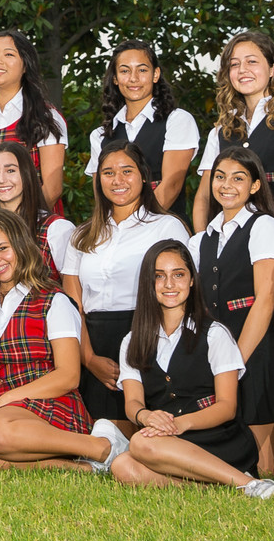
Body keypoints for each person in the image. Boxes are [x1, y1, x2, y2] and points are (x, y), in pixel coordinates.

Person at [105, 240, 274, 497]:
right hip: (169, 443)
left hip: (218, 439)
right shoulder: (132, 341)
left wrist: (179, 424)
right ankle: (220, 489)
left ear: (192, 280)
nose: (169, 284)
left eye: (178, 275)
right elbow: (133, 403)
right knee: (123, 466)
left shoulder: (215, 334)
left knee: (139, 443)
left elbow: (227, 407)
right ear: (148, 283)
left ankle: (248, 483)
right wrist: (146, 417)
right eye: (159, 276)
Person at [0, 213, 124, 473]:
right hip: (1, 417)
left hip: (51, 406)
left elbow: (68, 376)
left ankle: (100, 447)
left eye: (3, 248)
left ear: (21, 246)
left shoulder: (53, 300)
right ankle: (84, 469)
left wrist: (3, 402)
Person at [59, 144, 188, 427]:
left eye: (126, 171)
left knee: (146, 432)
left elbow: (181, 295)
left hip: (147, 338)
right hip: (92, 344)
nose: (117, 180)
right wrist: (89, 358)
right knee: (98, 433)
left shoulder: (167, 227)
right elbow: (72, 305)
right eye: (108, 172)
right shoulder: (82, 235)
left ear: (143, 175)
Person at [194, 149, 274, 474]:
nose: (227, 185)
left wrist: (235, 362)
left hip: (256, 355)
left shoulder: (264, 226)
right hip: (218, 357)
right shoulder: (203, 239)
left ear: (254, 185)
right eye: (220, 177)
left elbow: (265, 299)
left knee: (267, 468)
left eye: (238, 178)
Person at [194, 31, 274, 234]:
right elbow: (204, 196)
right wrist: (202, 240)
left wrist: (265, 232)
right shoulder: (221, 129)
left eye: (251, 61)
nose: (242, 70)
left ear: (272, 68)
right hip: (223, 242)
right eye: (234, 64)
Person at [0, 31, 68, 217]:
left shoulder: (46, 116)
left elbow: (52, 187)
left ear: (25, 65)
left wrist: (19, 226)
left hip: (38, 224)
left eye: (8, 54)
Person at [87, 40, 197, 212]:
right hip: (117, 227)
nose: (133, 78)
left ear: (155, 74)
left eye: (142, 70)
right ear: (115, 78)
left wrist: (137, 225)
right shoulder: (100, 136)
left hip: (165, 224)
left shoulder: (177, 121)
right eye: (125, 71)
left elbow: (171, 185)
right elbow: (101, 196)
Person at [0, 141, 72, 278]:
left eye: (10, 170)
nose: (1, 179)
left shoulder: (56, 229)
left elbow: (73, 288)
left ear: (26, 173)